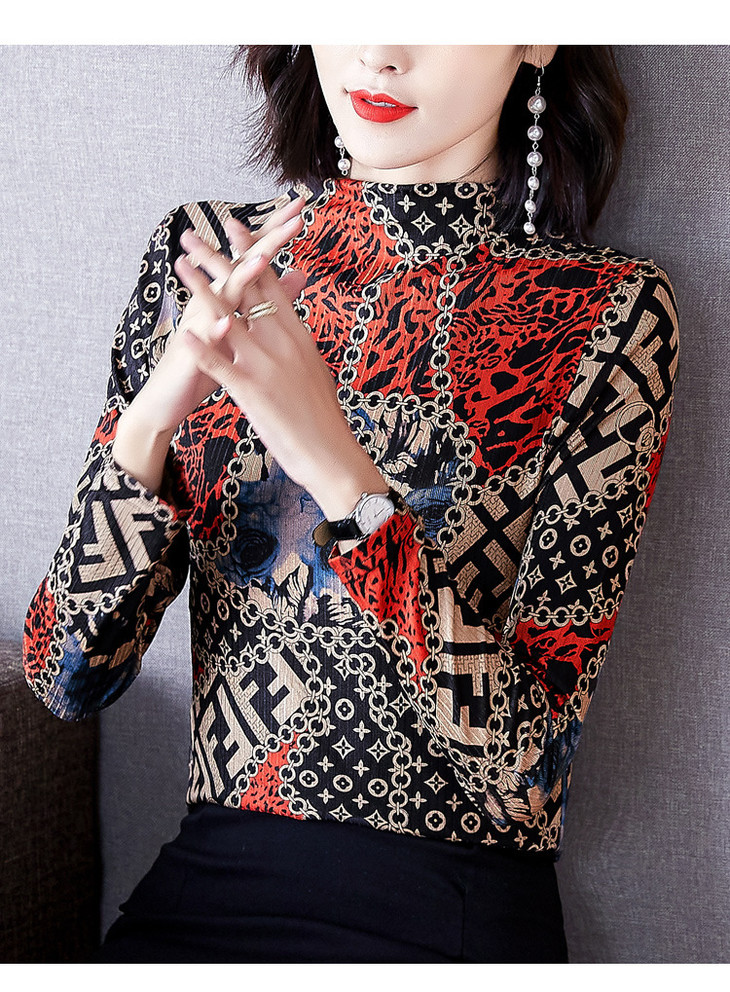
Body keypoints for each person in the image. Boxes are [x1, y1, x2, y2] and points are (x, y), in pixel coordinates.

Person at [22, 45, 680, 963]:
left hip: (443, 912)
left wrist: (339, 470)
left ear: (536, 36)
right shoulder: (209, 256)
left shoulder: (608, 312)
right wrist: (155, 417)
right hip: (200, 899)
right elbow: (64, 676)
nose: (379, 49)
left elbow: (528, 777)